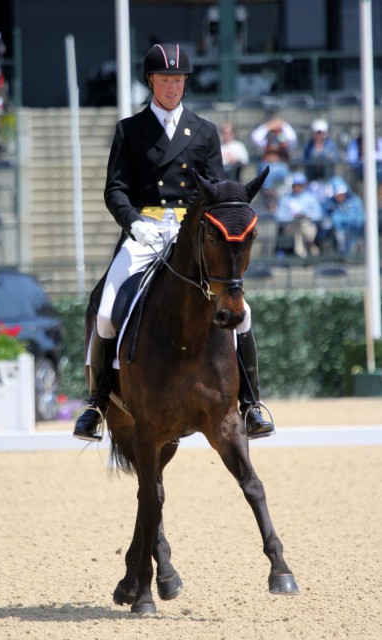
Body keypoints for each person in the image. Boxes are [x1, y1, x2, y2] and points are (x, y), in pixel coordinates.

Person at [73, 43, 273, 442]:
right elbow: (115, 190)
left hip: (191, 238)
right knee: (108, 310)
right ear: (151, 82)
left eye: (178, 80)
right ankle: (96, 403)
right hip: (144, 231)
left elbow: (218, 191)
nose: (172, 87)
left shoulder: (203, 131)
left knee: (242, 312)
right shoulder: (130, 130)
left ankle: (251, 404)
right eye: (165, 79)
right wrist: (133, 222)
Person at [251, 117, 297, 213]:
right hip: (268, 169)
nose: (276, 132)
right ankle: (271, 203)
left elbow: (293, 139)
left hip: (282, 170)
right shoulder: (266, 142)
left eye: (278, 130)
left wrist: (283, 125)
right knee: (265, 172)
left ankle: (279, 202)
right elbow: (255, 137)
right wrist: (268, 126)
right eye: (274, 130)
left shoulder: (286, 141)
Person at [275, 171, 323, 258]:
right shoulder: (286, 198)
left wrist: (307, 216)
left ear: (304, 185)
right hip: (290, 227)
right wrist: (292, 217)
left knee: (301, 225)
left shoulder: (310, 198)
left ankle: (301, 255)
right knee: (298, 224)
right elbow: (279, 217)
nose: (297, 188)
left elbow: (319, 214)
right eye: (295, 185)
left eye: (299, 185)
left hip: (308, 225)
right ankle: (311, 245)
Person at [322, 176, 365, 257]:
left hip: (354, 231)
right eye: (338, 194)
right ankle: (342, 253)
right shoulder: (329, 204)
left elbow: (360, 217)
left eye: (342, 193)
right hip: (338, 233)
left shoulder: (354, 200)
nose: (341, 196)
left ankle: (351, 254)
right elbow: (326, 219)